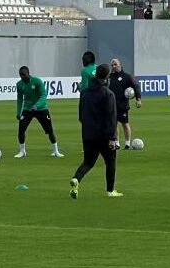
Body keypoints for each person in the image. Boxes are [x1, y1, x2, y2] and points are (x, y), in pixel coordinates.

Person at [70, 65, 122, 199]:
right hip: (104, 136)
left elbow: (81, 116)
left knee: (88, 162)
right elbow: (111, 118)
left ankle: (76, 178)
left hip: (88, 134)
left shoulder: (84, 93)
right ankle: (110, 190)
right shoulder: (108, 94)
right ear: (107, 76)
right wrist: (112, 138)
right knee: (110, 161)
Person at [14, 66, 63, 158]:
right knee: (21, 130)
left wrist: (37, 105)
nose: (22, 77)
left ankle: (56, 151)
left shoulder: (37, 81)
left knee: (49, 131)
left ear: (28, 73)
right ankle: (22, 151)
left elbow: (43, 95)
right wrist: (18, 112)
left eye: (24, 75)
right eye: (20, 75)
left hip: (41, 109)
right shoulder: (19, 84)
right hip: (27, 110)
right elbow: (20, 98)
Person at [106, 58, 142, 149]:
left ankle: (127, 143)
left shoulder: (127, 76)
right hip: (111, 105)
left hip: (122, 104)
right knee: (114, 124)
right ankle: (117, 143)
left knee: (125, 123)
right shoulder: (109, 77)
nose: (114, 66)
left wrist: (138, 99)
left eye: (115, 64)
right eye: (112, 65)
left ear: (120, 64)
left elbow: (136, 86)